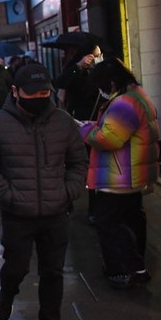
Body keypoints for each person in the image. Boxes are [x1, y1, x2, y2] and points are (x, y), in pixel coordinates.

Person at [0, 63, 88, 320]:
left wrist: (67, 191)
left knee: (53, 272)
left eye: (45, 92)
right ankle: (8, 290)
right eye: (32, 93)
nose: (40, 97)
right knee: (17, 266)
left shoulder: (62, 122)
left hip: (56, 212)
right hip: (17, 214)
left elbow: (79, 162)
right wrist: (9, 195)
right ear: (15, 91)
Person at [79, 59, 160, 290]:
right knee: (133, 218)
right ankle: (136, 265)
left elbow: (109, 139)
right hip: (132, 173)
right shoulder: (137, 96)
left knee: (110, 222)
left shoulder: (124, 103)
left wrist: (84, 129)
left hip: (119, 175)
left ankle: (129, 268)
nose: (101, 91)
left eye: (101, 86)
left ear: (112, 83)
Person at [54, 43, 107, 224]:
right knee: (74, 165)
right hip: (76, 123)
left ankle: (94, 209)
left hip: (94, 124)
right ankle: (66, 201)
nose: (97, 58)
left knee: (93, 167)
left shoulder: (99, 72)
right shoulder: (73, 69)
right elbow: (60, 85)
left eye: (100, 55)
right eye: (95, 55)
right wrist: (78, 67)